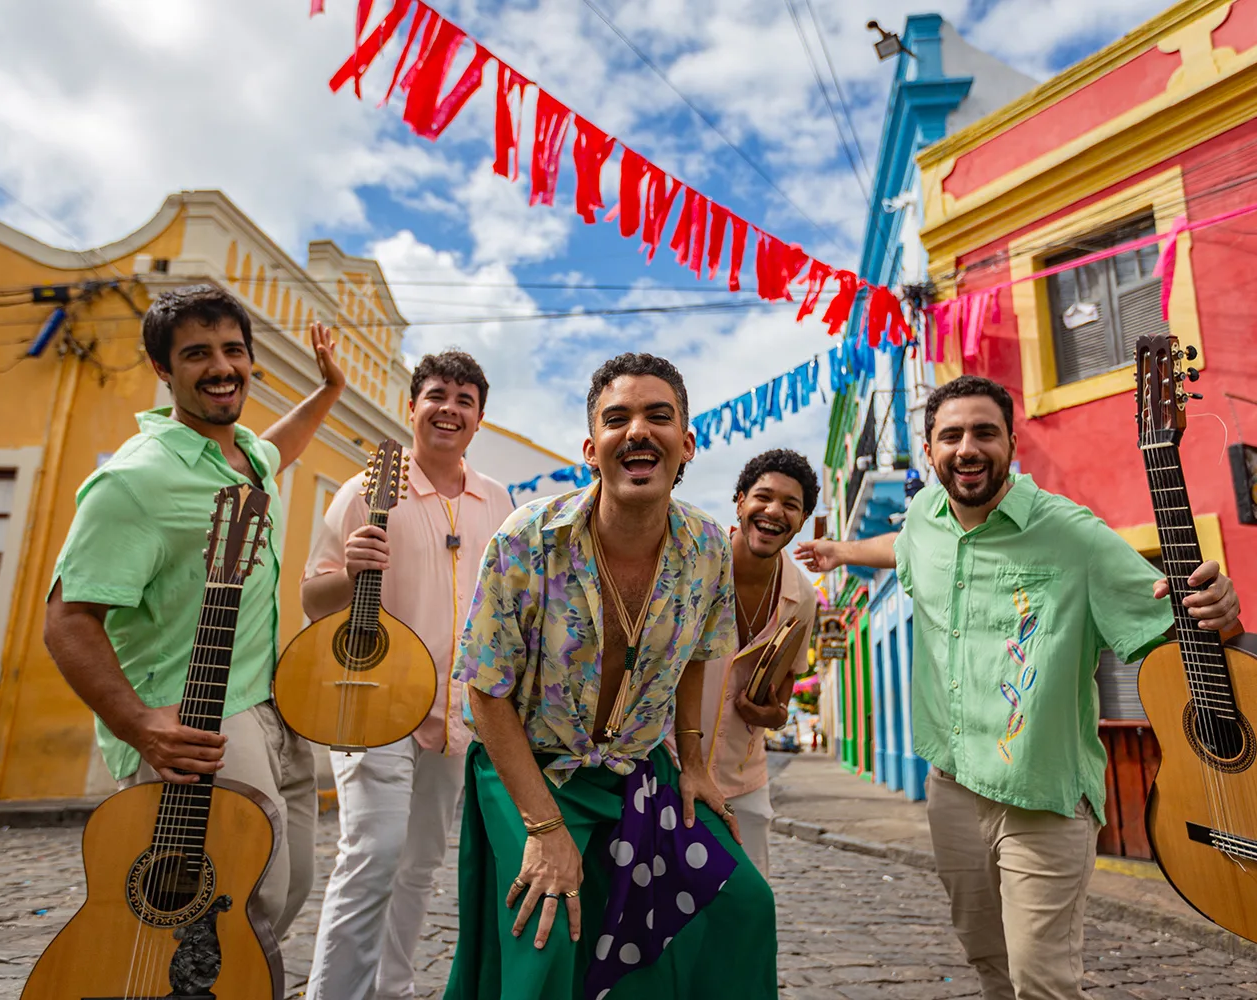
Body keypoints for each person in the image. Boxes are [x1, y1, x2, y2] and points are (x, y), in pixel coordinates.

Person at [797, 374, 1241, 1000]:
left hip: (1043, 799)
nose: (967, 448)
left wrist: (1221, 609)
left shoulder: (1072, 534)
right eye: (950, 435)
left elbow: (1173, 625)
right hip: (950, 789)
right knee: (987, 960)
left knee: (1041, 978)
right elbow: (904, 547)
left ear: (1010, 442)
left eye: (984, 432)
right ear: (930, 450)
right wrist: (841, 551)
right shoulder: (925, 515)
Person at [445, 354, 778, 1000]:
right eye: (617, 418)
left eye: (659, 416)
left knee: (742, 904)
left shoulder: (709, 549)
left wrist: (696, 763)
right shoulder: (527, 540)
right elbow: (486, 694)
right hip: (531, 768)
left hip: (637, 770)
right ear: (592, 449)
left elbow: (700, 658)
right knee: (545, 939)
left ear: (686, 443)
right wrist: (544, 830)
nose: (638, 432)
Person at [44, 284, 347, 938]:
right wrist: (140, 727)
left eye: (233, 350)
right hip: (196, 718)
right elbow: (67, 619)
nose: (221, 367)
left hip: (272, 703)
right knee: (238, 904)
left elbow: (279, 445)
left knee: (285, 891)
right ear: (163, 368)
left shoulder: (243, 459)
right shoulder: (135, 480)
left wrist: (329, 392)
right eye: (197, 353)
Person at [302, 351, 513, 1000]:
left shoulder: (498, 502)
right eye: (437, 395)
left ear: (479, 418)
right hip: (370, 700)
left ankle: (390, 989)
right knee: (374, 852)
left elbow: (509, 607)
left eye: (464, 399)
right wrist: (353, 572)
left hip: (458, 711)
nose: (449, 408)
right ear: (413, 406)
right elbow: (314, 600)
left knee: (419, 864)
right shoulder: (367, 488)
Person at [680, 448, 818, 878]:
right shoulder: (691, 566)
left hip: (744, 781)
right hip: (667, 768)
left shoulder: (802, 598)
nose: (774, 511)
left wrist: (773, 714)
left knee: (746, 907)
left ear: (801, 520)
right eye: (763, 496)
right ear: (739, 502)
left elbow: (782, 695)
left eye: (791, 505)